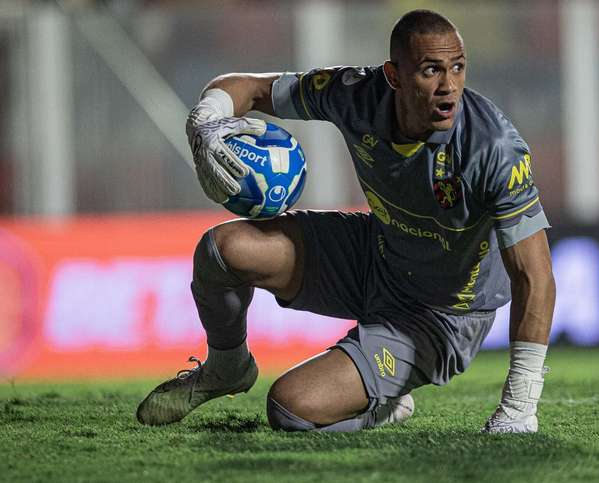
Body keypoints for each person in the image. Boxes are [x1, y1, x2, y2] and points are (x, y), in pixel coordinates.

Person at [137, 9, 555, 433]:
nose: (449, 86)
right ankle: (227, 367)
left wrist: (520, 405)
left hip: (441, 312)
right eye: (431, 70)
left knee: (291, 409)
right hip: (375, 255)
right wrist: (205, 122)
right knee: (221, 251)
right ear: (393, 75)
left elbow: (535, 277)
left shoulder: (493, 149)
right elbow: (247, 87)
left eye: (457, 68)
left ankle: (380, 404)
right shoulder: (356, 93)